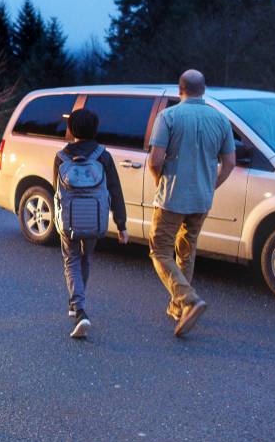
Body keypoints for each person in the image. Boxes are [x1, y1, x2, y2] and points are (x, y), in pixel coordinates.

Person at [146, 69, 235, 337]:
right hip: (201, 199)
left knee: (160, 250)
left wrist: (159, 181)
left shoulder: (169, 116)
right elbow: (229, 163)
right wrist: (210, 186)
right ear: (204, 89)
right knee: (186, 249)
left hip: (172, 197)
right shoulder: (221, 120)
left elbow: (155, 160)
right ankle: (177, 307)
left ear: (179, 89)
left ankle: (189, 299)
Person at [53, 108, 129, 338]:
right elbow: (115, 190)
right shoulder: (103, 156)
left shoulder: (61, 157)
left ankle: (79, 310)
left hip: (69, 220)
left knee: (71, 260)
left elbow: (56, 190)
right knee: (86, 258)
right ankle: (77, 303)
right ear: (95, 129)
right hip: (95, 218)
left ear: (71, 129)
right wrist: (121, 224)